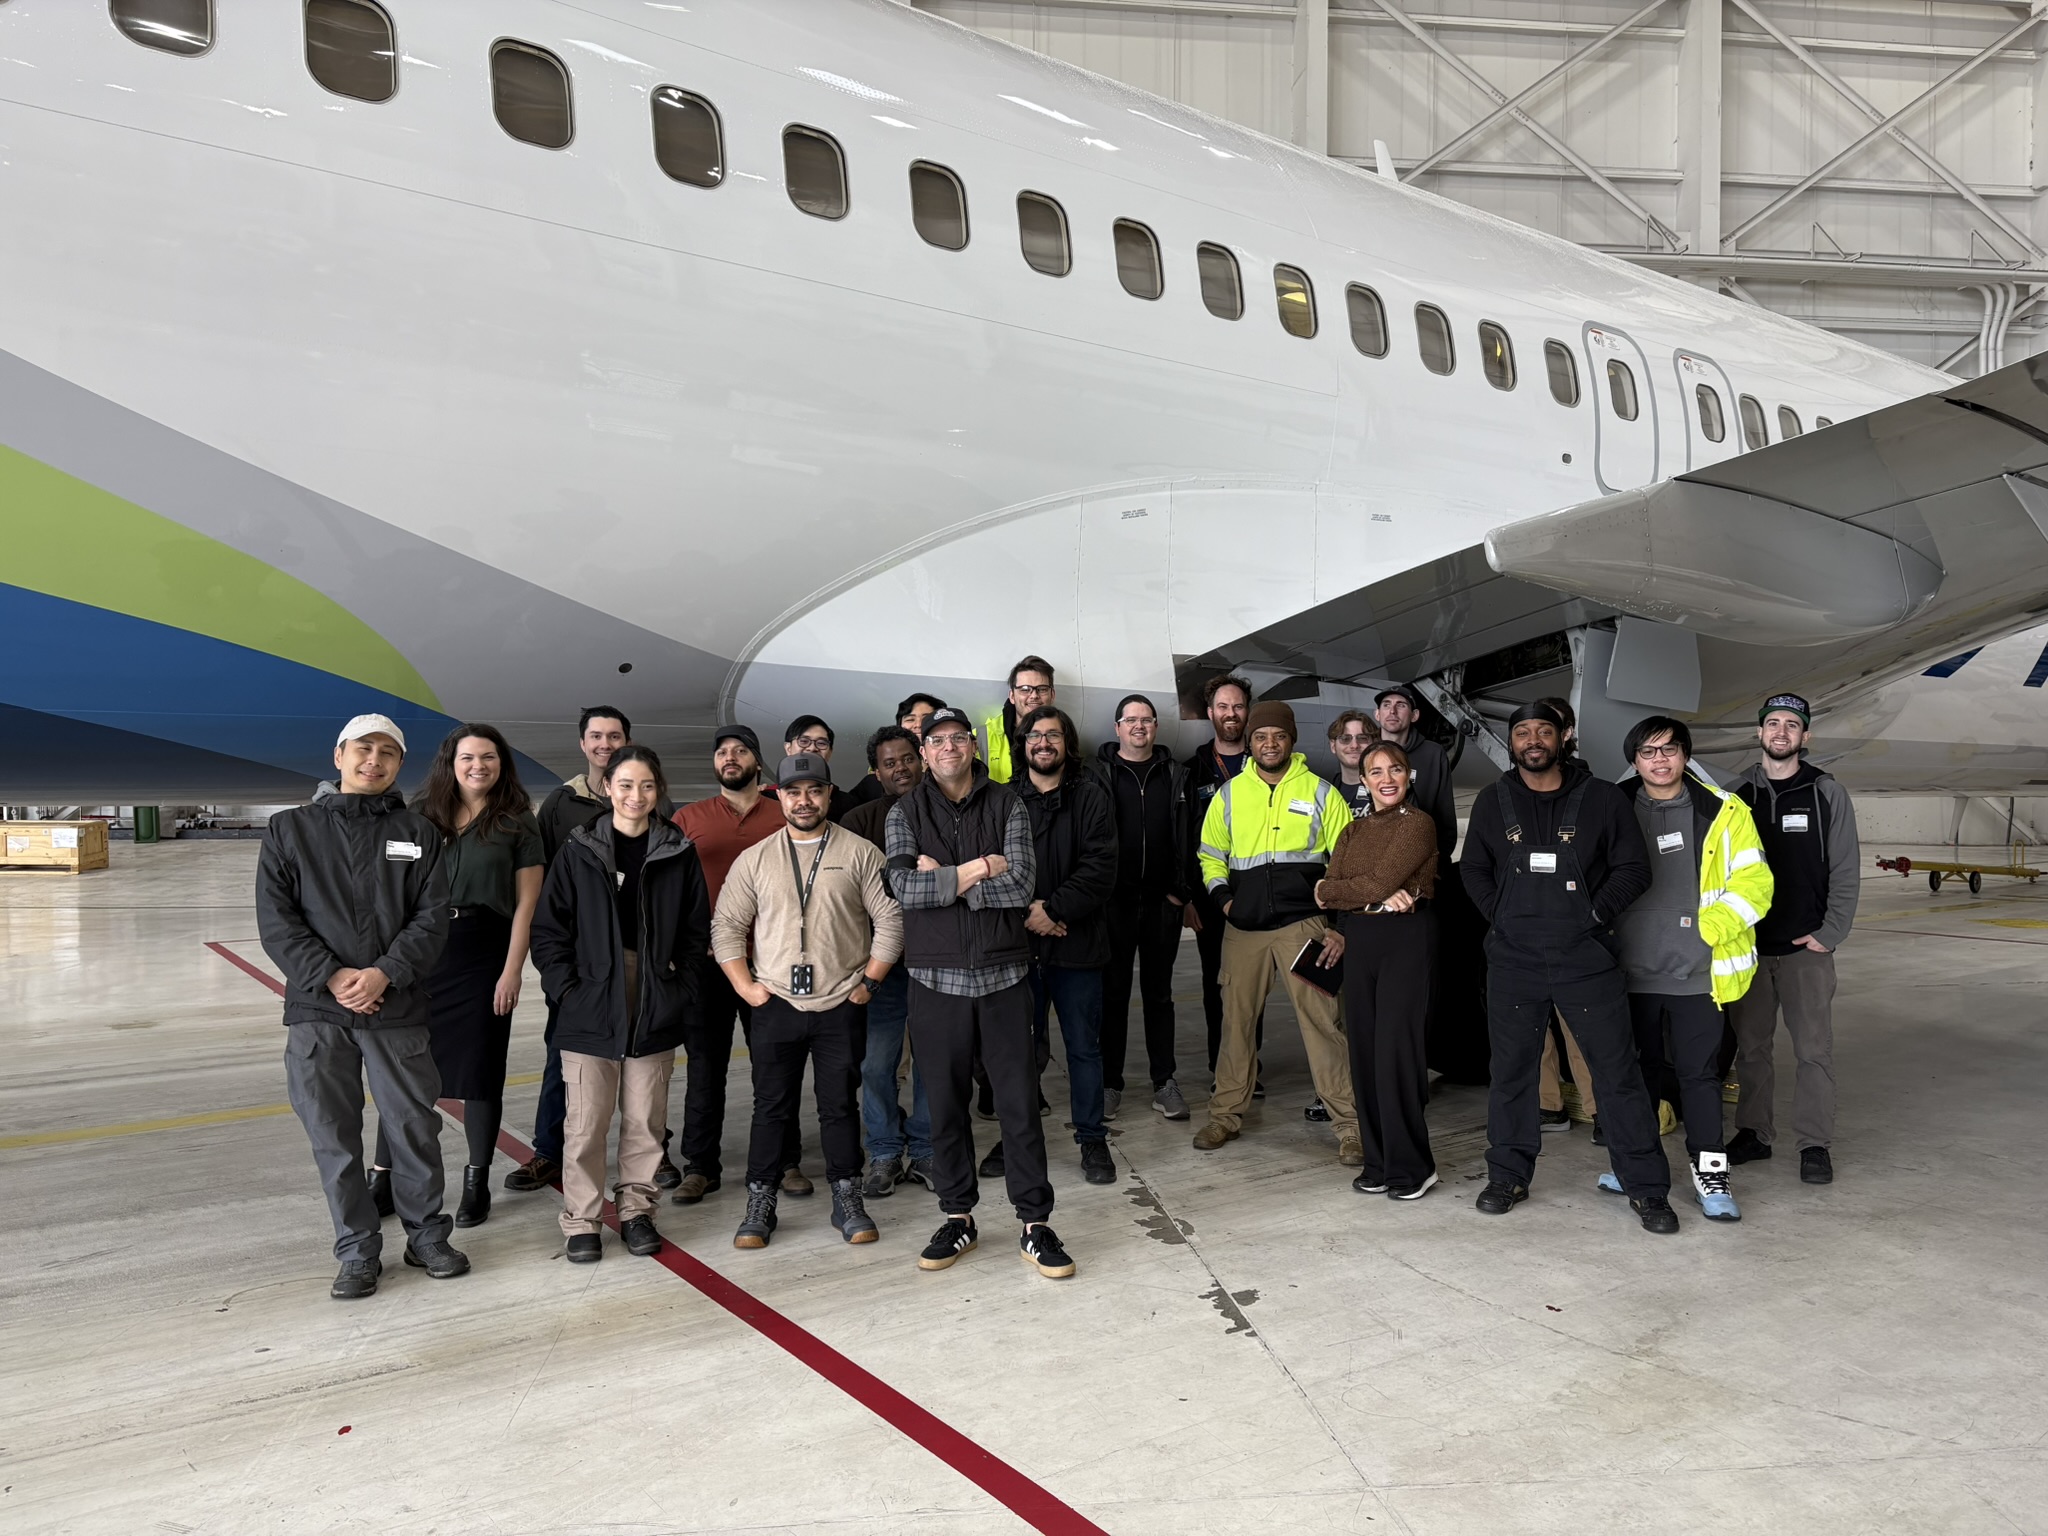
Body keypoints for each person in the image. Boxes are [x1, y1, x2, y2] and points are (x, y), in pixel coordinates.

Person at [256, 713, 465, 1300]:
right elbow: (278, 922)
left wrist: (383, 974)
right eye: (364, 749)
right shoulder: (289, 830)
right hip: (319, 1012)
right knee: (333, 1133)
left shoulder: (418, 832)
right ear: (339, 755)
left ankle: (427, 1237)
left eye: (389, 754)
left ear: (400, 765)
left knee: (413, 1127)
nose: (374, 761)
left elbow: (431, 917)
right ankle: (356, 1250)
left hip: (395, 1009)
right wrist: (333, 977)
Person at [1461, 701, 1678, 1234]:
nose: (1533, 740)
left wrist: (1593, 914)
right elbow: (1473, 868)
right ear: (1512, 743)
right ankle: (1507, 1174)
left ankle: (1646, 1187)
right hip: (1514, 961)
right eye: (1522, 733)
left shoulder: (1603, 798)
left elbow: (1634, 869)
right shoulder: (1493, 801)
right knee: (1511, 1075)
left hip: (1586, 959)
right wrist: (1502, 916)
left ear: (1564, 737)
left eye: (1543, 731)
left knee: (1617, 1074)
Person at [884, 708, 1075, 1279]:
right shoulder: (905, 811)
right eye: (936, 741)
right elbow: (903, 889)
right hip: (934, 981)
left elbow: (1019, 885)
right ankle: (959, 1216)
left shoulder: (1008, 803)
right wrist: (976, 869)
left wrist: (945, 878)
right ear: (925, 753)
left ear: (972, 746)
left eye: (957, 739)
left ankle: (1035, 1224)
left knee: (1018, 1106)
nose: (947, 749)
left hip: (1004, 978)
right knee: (943, 1107)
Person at [714, 754, 904, 1250]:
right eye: (794, 791)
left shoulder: (861, 853)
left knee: (839, 1106)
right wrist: (745, 986)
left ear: (828, 794)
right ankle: (760, 1201)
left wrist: (871, 982)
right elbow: (727, 926)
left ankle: (847, 1197)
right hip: (774, 1002)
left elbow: (891, 920)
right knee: (770, 1107)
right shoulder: (755, 858)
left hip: (842, 1001)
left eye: (814, 790)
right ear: (778, 796)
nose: (804, 800)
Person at [531, 745, 709, 1263]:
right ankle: (582, 1219)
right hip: (589, 996)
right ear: (607, 789)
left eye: (647, 786)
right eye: (626, 785)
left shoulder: (678, 851)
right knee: (585, 1123)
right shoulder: (579, 850)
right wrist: (568, 989)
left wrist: (679, 988)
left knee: (645, 1120)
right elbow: (549, 931)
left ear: (659, 791)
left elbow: (697, 934)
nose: (636, 796)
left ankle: (636, 1210)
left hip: (653, 992)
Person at [372, 724, 542, 1232]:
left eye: (488, 757)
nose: (478, 766)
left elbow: (527, 904)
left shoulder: (517, 822)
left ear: (501, 763)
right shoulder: (421, 817)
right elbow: (394, 891)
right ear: (450, 761)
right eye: (468, 757)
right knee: (402, 1070)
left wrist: (512, 971)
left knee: (481, 1071)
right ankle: (381, 1176)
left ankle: (476, 1180)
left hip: (484, 953)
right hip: (423, 952)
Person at [1609, 715, 1773, 1222]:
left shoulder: (1725, 811)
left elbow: (1755, 883)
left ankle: (1710, 1170)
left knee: (1700, 1078)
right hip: (1627, 973)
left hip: (1699, 972)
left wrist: (1709, 930)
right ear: (1633, 761)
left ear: (1685, 755)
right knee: (1637, 1075)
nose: (1659, 761)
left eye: (1669, 750)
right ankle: (1635, 1166)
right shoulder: (1611, 808)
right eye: (1648, 752)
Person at [1192, 700, 1362, 1165]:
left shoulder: (1323, 793)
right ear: (1250, 742)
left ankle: (1350, 1127)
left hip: (1304, 926)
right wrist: (1226, 901)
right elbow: (1210, 855)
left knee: (1324, 1024)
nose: (1270, 744)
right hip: (1243, 931)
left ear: (1292, 741)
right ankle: (1225, 1116)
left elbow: (1345, 865)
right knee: (1236, 1025)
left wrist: (1336, 926)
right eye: (1261, 736)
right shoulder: (1229, 794)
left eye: (1279, 736)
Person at [1728, 693, 1860, 1185]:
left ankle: (1814, 1143)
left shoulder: (1827, 793)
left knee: (1812, 1052)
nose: (1780, 732)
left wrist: (1830, 934)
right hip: (1752, 949)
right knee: (1752, 1050)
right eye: (1772, 724)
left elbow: (1845, 868)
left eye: (1791, 725)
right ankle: (1754, 1133)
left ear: (1805, 737)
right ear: (1759, 734)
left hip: (1807, 949)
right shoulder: (1737, 793)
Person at [671, 725, 803, 1202]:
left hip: (771, 961)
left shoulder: (781, 812)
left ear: (756, 760)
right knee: (706, 1066)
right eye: (722, 752)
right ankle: (700, 1166)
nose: (730, 758)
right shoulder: (689, 818)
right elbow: (671, 892)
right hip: (708, 966)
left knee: (775, 1066)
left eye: (740, 750)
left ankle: (785, 1162)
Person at [507, 704, 632, 1195]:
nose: (606, 744)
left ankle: (651, 1147)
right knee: (563, 1054)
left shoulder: (644, 796)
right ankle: (547, 1152)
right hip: (579, 960)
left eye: (614, 736)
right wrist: (554, 965)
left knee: (640, 1056)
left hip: (632, 953)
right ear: (583, 744)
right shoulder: (560, 805)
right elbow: (540, 889)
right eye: (597, 736)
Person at [996, 706, 1116, 1186]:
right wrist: (1030, 913)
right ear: (1022, 744)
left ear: (1067, 743)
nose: (1043, 743)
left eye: (1053, 735)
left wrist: (1056, 911)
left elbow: (1101, 865)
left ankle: (1092, 1139)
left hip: (1078, 944)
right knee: (1017, 1051)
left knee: (1084, 1048)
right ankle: (1015, 1140)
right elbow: (993, 864)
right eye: (1034, 735)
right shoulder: (1002, 799)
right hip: (1016, 947)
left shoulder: (1091, 796)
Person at [1316, 741, 1440, 1199]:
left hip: (1405, 940)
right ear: (1363, 780)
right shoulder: (1352, 830)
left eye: (1396, 769)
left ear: (1409, 776)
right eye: (1375, 772)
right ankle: (1379, 1161)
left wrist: (1352, 892)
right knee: (1364, 1053)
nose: (1386, 779)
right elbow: (1328, 887)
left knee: (1396, 1055)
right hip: (1360, 941)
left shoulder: (1419, 825)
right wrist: (1355, 895)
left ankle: (1413, 1167)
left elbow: (1368, 883)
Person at [841, 726, 936, 1196]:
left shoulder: (945, 811)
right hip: (881, 966)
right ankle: (882, 1151)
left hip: (938, 959)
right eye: (889, 763)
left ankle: (926, 1150)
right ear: (876, 773)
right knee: (877, 1064)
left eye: (906, 759)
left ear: (922, 760)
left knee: (931, 1061)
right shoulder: (858, 822)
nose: (900, 768)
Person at [1093, 693, 1191, 1121]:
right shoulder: (1098, 775)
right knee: (1112, 996)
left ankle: (1163, 1082)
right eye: (1130, 720)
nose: (1138, 727)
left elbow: (1188, 836)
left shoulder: (1175, 774)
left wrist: (1179, 892)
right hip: (1113, 905)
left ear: (1155, 727)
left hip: (1159, 905)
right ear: (1117, 728)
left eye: (1146, 720)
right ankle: (1110, 1084)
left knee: (1159, 996)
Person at [1183, 674, 1256, 1080]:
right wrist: (1189, 898)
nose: (1231, 714)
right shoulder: (1192, 771)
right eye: (1223, 707)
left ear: (1248, 712)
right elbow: (1184, 839)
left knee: (1253, 988)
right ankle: (1221, 1066)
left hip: (1259, 897)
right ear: (1210, 713)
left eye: (1238, 707)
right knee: (1217, 986)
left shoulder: (1266, 765)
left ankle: (1249, 1066)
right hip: (1210, 898)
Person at [1374, 685, 1457, 861]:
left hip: (1424, 860)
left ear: (1414, 715)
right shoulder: (1367, 755)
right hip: (1375, 860)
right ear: (1377, 714)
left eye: (1401, 705)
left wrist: (1438, 862)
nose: (1393, 711)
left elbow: (1445, 814)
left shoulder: (1433, 754)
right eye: (1386, 705)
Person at [847, 695, 949, 808]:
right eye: (910, 719)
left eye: (926, 719)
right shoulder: (873, 783)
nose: (918, 725)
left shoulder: (954, 773)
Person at [981, 656, 1055, 786]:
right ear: (1012, 696)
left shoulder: (1065, 737)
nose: (1034, 696)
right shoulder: (980, 738)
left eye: (1042, 689)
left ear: (1052, 695)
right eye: (1025, 689)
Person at [779, 715, 858, 821]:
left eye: (821, 743)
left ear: (830, 752)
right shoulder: (767, 798)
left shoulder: (848, 805)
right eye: (804, 741)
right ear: (788, 748)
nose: (812, 748)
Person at [1327, 709, 1382, 819]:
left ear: (1374, 743)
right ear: (1333, 746)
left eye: (1362, 738)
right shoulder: (1325, 792)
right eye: (1345, 739)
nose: (1354, 745)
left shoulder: (1388, 786)